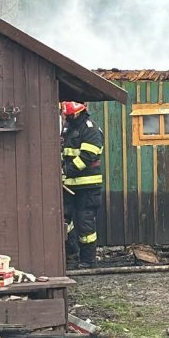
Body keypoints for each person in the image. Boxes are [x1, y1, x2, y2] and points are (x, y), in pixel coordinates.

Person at [61, 101, 105, 269]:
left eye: (70, 115)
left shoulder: (90, 129)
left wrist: (67, 170)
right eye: (66, 116)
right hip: (69, 186)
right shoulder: (68, 128)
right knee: (64, 220)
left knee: (85, 225)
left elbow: (88, 156)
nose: (68, 118)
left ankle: (88, 260)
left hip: (87, 188)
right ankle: (71, 253)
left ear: (79, 112)